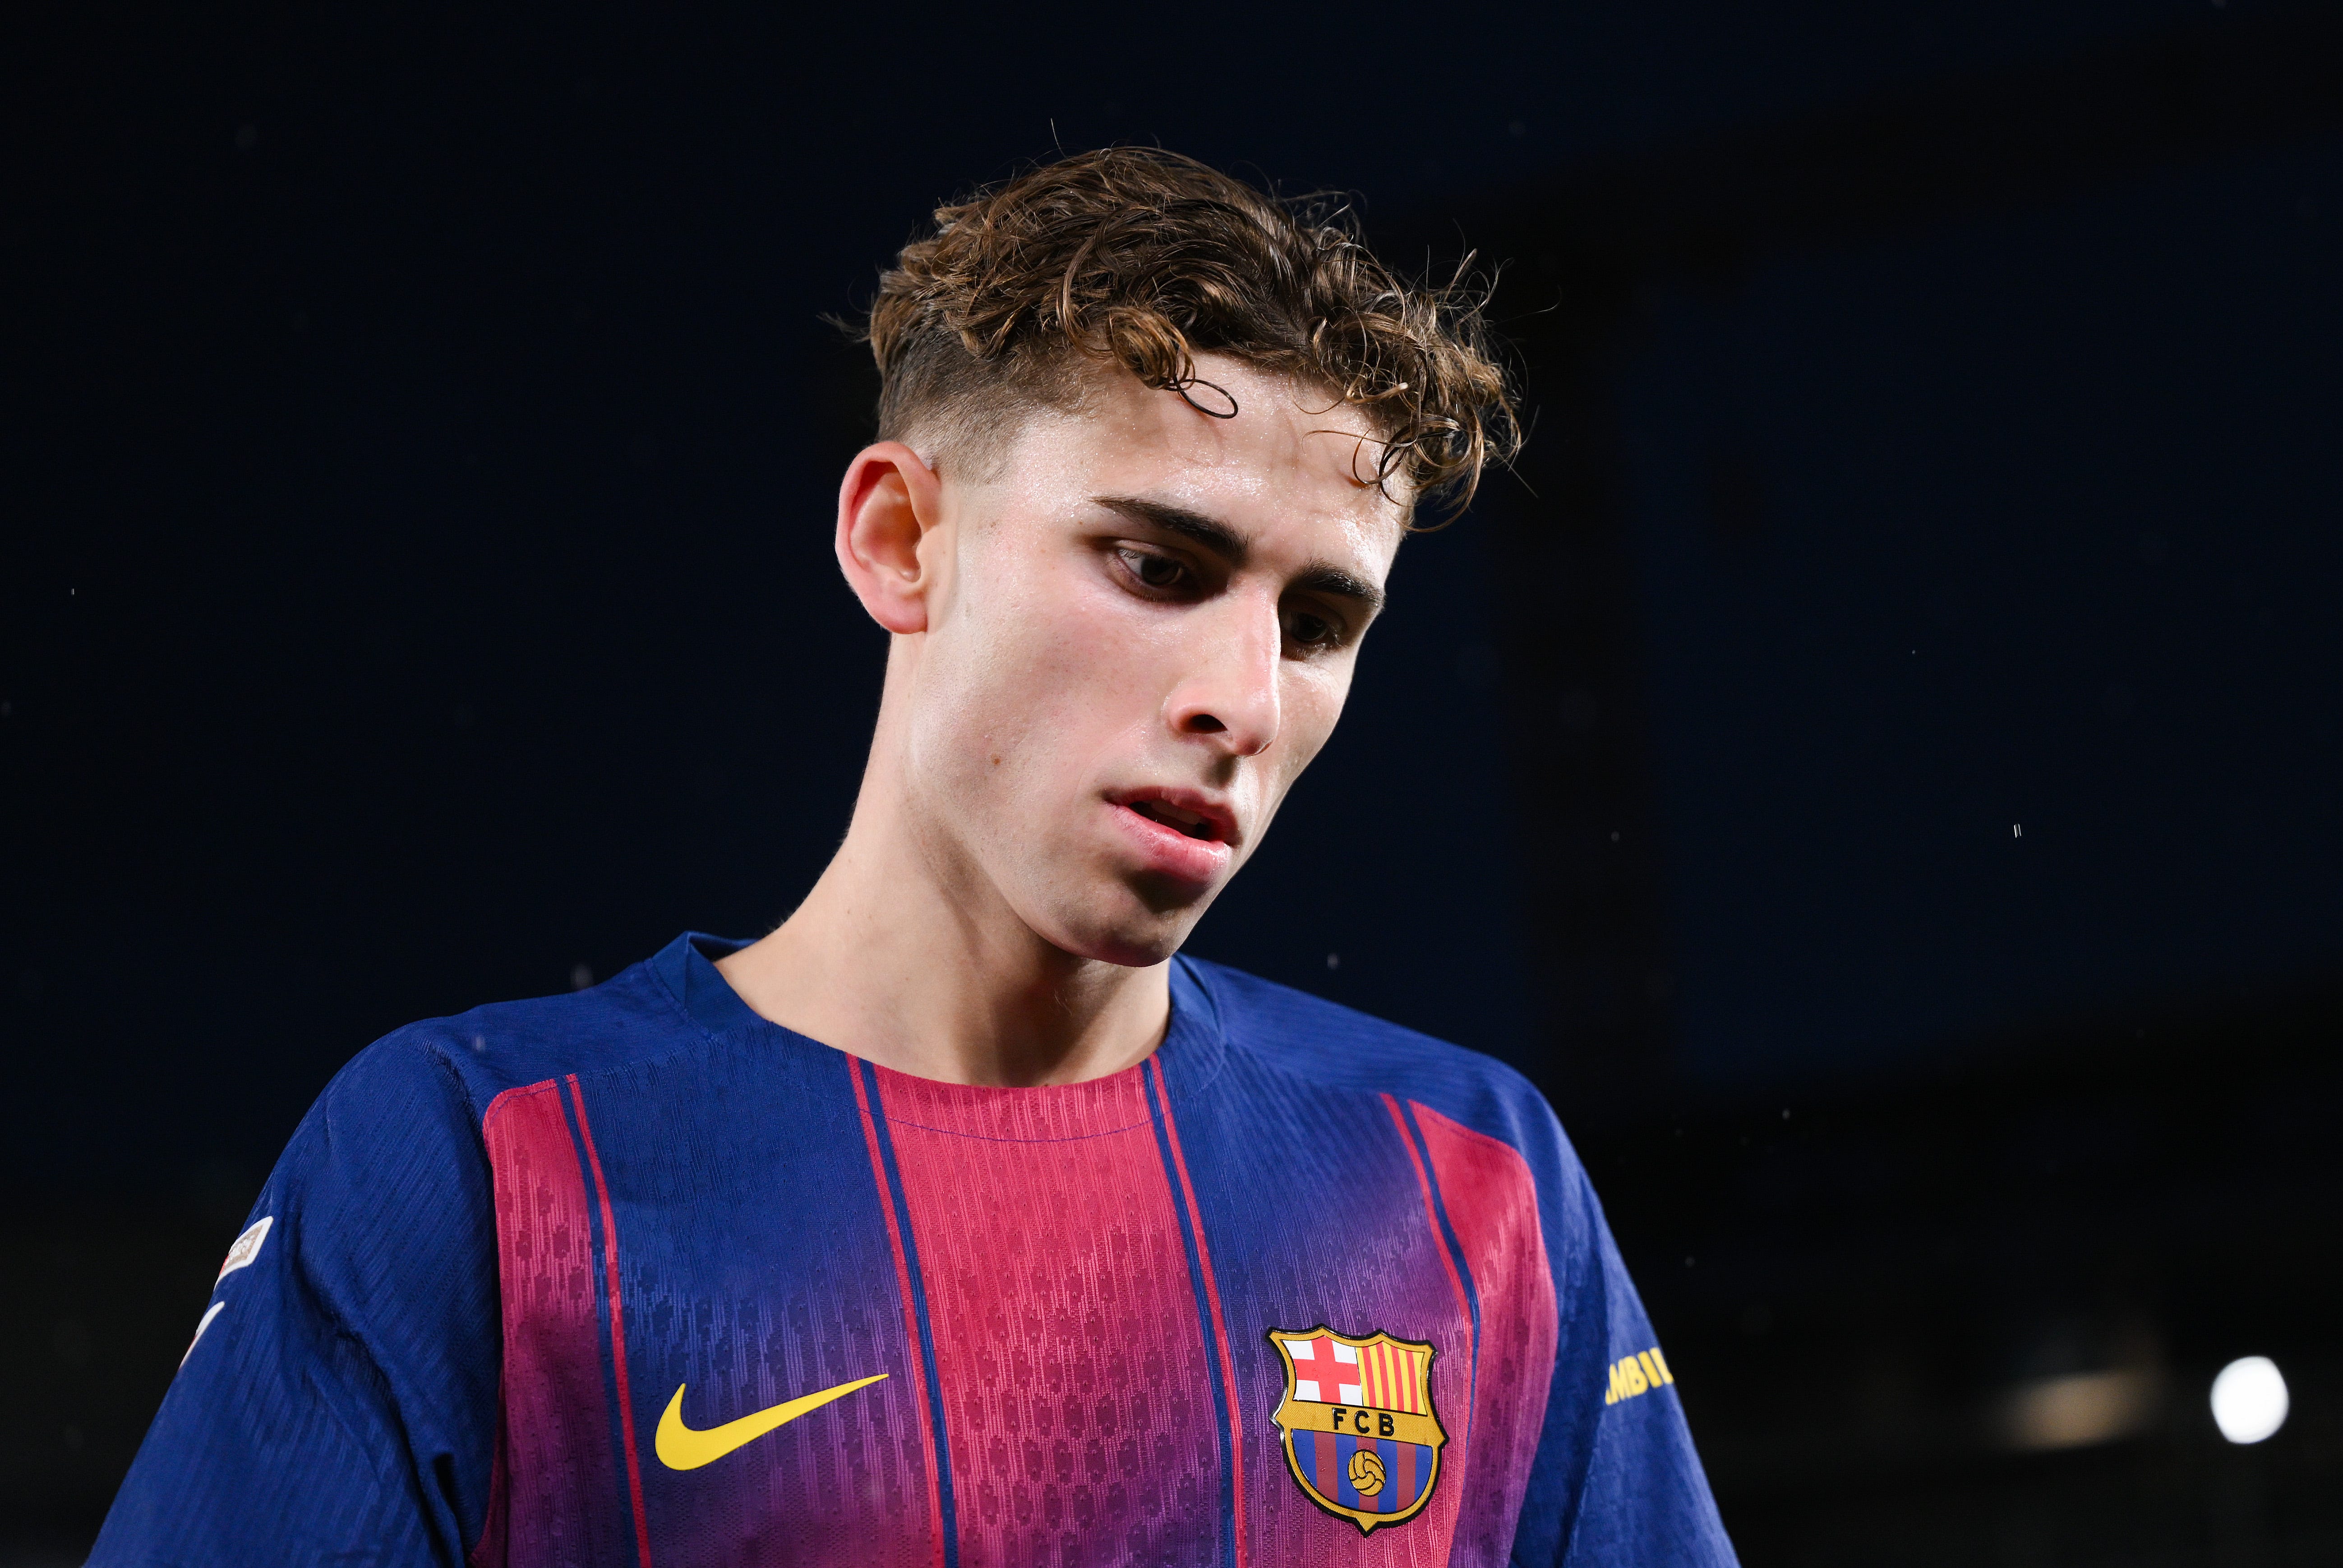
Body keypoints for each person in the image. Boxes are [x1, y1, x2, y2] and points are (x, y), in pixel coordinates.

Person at [93, 148, 1734, 1568]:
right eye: (1157, 566)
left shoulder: (1473, 1185)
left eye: (1317, 623)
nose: (1244, 700)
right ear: (899, 540)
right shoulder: (478, 1162)